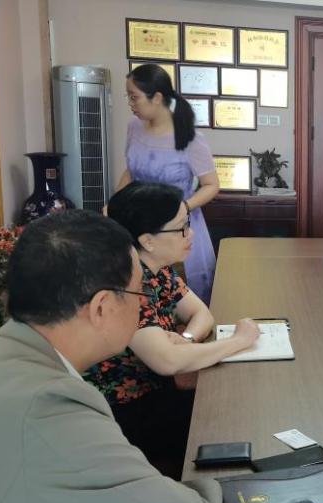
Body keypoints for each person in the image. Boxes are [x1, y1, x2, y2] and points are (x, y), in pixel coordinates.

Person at [0, 211, 223, 503]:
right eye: (140, 294)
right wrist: (223, 486)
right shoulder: (49, 406)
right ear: (101, 307)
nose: (144, 308)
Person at [86, 182, 259, 480]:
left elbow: (201, 314)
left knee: (234, 404)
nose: (190, 234)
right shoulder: (125, 281)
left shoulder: (159, 268)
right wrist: (239, 341)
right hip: (125, 413)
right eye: (181, 228)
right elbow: (167, 362)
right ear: (148, 240)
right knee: (230, 417)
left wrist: (185, 340)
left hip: (156, 392)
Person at [118, 63, 219, 302]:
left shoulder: (190, 138)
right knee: (138, 291)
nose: (131, 104)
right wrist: (116, 206)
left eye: (134, 97)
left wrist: (183, 208)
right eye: (128, 97)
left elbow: (211, 185)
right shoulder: (134, 128)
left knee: (183, 295)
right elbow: (130, 171)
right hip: (140, 225)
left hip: (177, 226)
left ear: (157, 98)